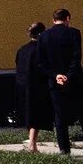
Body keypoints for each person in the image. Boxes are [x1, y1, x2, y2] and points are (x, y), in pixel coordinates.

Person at [37, 8, 83, 158]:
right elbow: (76, 58)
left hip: (55, 82)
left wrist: (56, 75)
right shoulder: (74, 33)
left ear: (53, 20)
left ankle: (64, 150)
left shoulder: (43, 36)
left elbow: (41, 62)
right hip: (76, 81)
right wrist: (68, 76)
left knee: (60, 117)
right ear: (68, 18)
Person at [14, 22, 50, 152]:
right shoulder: (42, 50)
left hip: (23, 85)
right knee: (36, 115)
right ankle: (32, 145)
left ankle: (31, 142)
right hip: (37, 86)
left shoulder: (22, 50)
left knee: (29, 114)